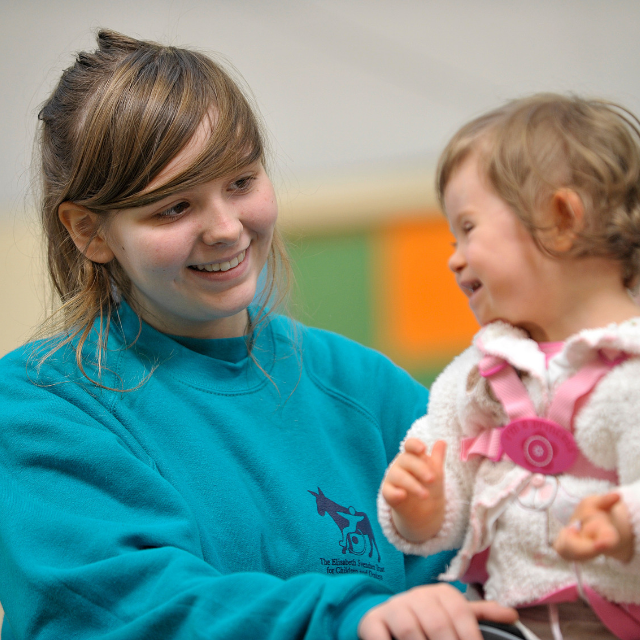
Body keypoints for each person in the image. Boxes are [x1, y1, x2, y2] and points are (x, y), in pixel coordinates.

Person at [0, 30, 518, 640]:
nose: (225, 228)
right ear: (89, 231)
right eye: (172, 207)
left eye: (241, 182)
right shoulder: (42, 404)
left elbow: (482, 578)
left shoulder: (367, 390)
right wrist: (355, 618)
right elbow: (137, 608)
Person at [378, 93, 640, 640]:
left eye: (468, 229)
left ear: (561, 219)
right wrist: (423, 508)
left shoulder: (629, 374)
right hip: (506, 624)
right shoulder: (478, 373)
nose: (453, 257)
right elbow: (450, 478)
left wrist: (624, 524)